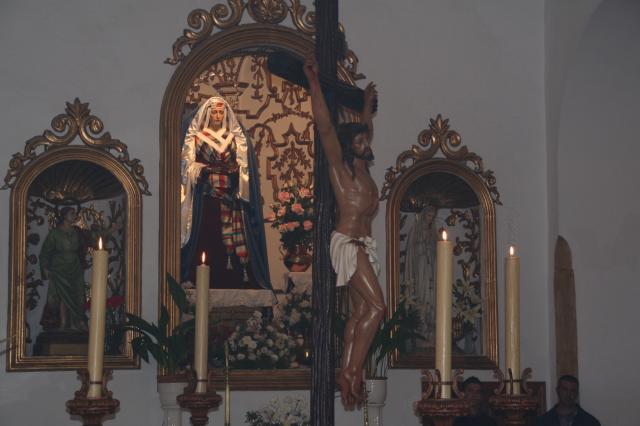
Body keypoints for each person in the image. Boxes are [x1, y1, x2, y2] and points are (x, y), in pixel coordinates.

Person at [303, 53, 385, 408]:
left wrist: (366, 105)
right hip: (347, 243)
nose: (367, 144)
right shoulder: (340, 169)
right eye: (361, 142)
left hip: (363, 243)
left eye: (366, 140)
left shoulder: (363, 169)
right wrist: (314, 82)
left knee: (360, 311)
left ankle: (347, 368)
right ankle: (352, 370)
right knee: (377, 307)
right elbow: (325, 126)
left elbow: (364, 127)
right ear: (349, 145)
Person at [180, 96, 272, 292]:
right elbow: (187, 167)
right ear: (207, 114)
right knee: (208, 236)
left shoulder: (234, 138)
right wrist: (204, 169)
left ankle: (235, 277)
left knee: (233, 236)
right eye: (214, 112)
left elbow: (244, 166)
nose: (217, 115)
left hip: (230, 197)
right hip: (208, 197)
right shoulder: (197, 137)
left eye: (221, 112)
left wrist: (236, 170)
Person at [39, 207, 89, 331]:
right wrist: (45, 267)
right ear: (64, 216)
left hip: (75, 268)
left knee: (77, 295)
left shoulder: (78, 232)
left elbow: (92, 236)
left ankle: (76, 323)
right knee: (62, 296)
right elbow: (45, 251)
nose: (74, 215)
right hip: (59, 268)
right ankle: (63, 323)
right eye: (72, 213)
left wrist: (112, 229)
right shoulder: (55, 233)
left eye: (75, 213)